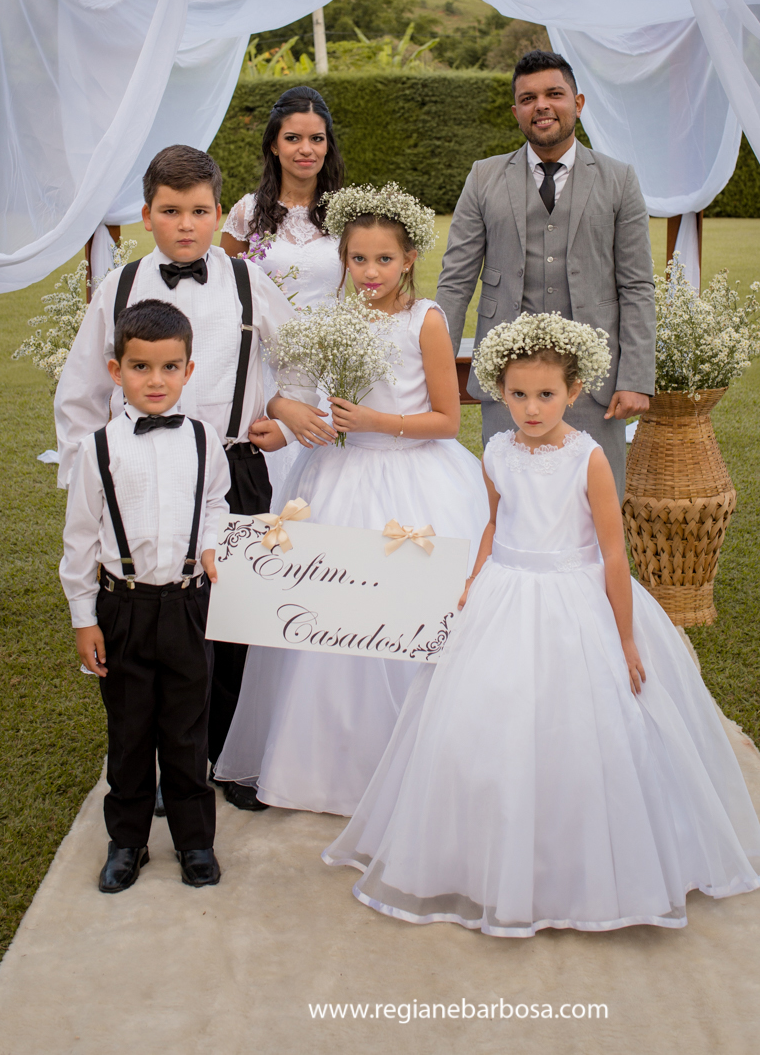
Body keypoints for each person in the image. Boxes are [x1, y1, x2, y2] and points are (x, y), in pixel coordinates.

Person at [323, 314, 760, 935]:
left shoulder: (587, 458)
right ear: (497, 391)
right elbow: (494, 523)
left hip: (574, 598)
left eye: (546, 395)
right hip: (504, 593)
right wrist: (470, 582)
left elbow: (613, 552)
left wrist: (623, 635)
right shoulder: (495, 451)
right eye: (517, 394)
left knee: (582, 727)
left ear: (574, 392)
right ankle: (483, 858)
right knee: (486, 722)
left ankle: (581, 867)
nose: (531, 408)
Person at [55, 145, 322, 811]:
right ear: (147, 214)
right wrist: (91, 476)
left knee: (234, 616)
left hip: (232, 465)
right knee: (154, 613)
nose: (185, 225)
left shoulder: (244, 280)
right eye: (170, 211)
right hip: (141, 472)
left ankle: (228, 758)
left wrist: (282, 421)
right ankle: (145, 768)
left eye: (199, 211)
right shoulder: (118, 288)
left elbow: (298, 358)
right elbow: (82, 391)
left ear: (217, 213)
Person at [216, 183, 488, 816]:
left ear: (409, 259)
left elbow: (447, 419)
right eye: (358, 260)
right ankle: (323, 763)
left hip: (414, 477)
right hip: (335, 477)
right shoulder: (331, 320)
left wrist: (373, 420)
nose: (370, 273)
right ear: (343, 260)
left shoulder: (427, 321)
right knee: (326, 614)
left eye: (384, 260)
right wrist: (291, 416)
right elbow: (298, 385)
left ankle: (417, 760)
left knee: (410, 615)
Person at [60, 299, 230, 893]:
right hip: (123, 606)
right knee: (130, 733)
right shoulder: (97, 449)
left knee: (187, 731)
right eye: (140, 368)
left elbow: (214, 505)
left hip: (187, 605)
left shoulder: (207, 441)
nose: (154, 381)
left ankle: (195, 842)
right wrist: (85, 619)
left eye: (168, 368)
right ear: (116, 371)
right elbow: (80, 539)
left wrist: (210, 547)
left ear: (188, 370)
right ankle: (127, 841)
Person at [436, 50, 655, 497]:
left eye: (554, 94)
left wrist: (634, 378)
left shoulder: (619, 180)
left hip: (593, 384)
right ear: (515, 110)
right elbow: (455, 281)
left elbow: (636, 285)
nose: (542, 105)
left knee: (596, 505)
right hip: (507, 383)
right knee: (511, 503)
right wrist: (434, 368)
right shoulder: (483, 177)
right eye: (528, 97)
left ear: (577, 102)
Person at [220, 86, 344, 494]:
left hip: (335, 362)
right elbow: (227, 292)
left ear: (328, 145)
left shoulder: (349, 213)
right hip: (266, 365)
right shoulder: (247, 212)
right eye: (293, 138)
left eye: (316, 138)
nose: (305, 149)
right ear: (274, 144)